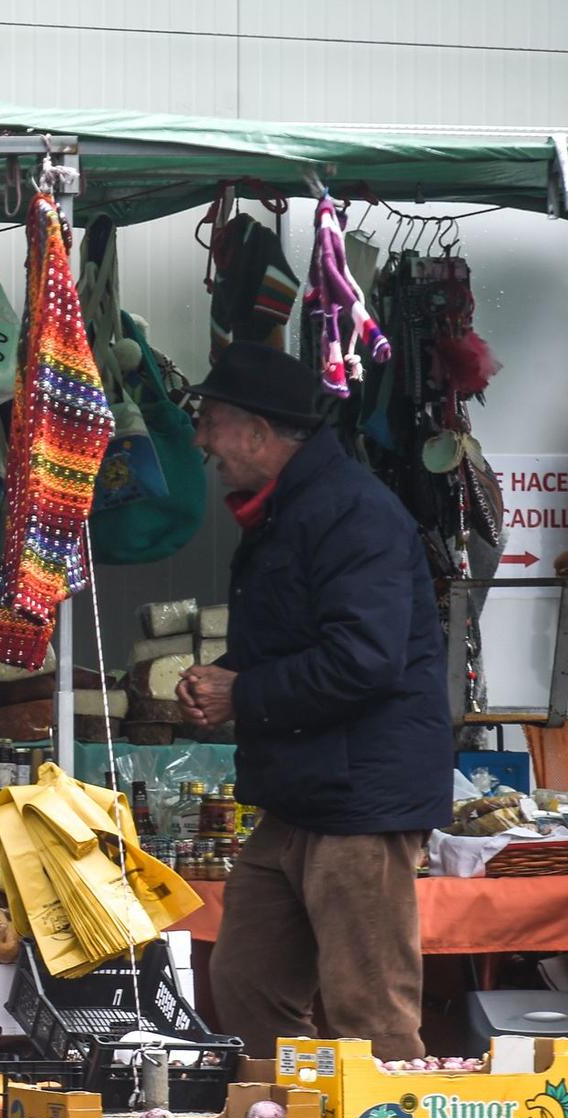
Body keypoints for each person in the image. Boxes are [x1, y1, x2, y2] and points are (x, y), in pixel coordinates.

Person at [176, 341, 452, 1062]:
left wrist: (245, 691)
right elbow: (301, 637)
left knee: (370, 1008)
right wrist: (230, 677)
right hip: (302, 794)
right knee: (246, 981)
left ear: (259, 432)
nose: (202, 440)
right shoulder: (288, 509)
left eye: (211, 422)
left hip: (361, 801)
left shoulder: (352, 512)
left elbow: (363, 657)